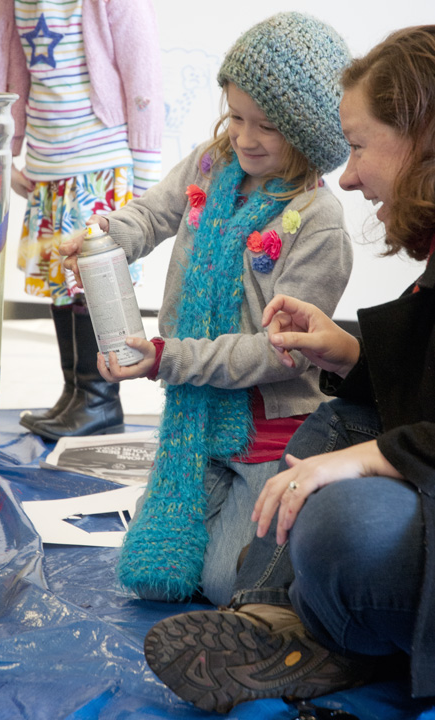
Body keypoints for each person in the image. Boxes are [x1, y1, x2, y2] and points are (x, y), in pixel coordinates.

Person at [142, 23, 435, 714]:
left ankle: (320, 633)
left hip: (271, 443)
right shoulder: (211, 178)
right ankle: (270, 621)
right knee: (341, 418)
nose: (350, 173)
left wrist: (372, 459)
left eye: (359, 146)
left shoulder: (316, 220)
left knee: (341, 524)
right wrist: (352, 351)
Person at [62, 12, 353, 607]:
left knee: (224, 583)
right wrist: (106, 237)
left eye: (266, 126)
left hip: (269, 437)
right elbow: (151, 215)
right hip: (193, 425)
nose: (244, 138)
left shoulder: (318, 223)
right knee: (156, 573)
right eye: (236, 116)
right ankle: (219, 508)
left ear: (310, 133)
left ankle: (299, 506)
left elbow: (279, 354)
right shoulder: (209, 165)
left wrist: (167, 357)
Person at [0, 0, 164, 440]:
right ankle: (77, 393)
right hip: (49, 165)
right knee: (61, 282)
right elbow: (3, 68)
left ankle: (101, 399)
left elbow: (144, 75)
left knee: (93, 282)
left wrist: (145, 174)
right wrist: (5, 148)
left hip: (99, 163)